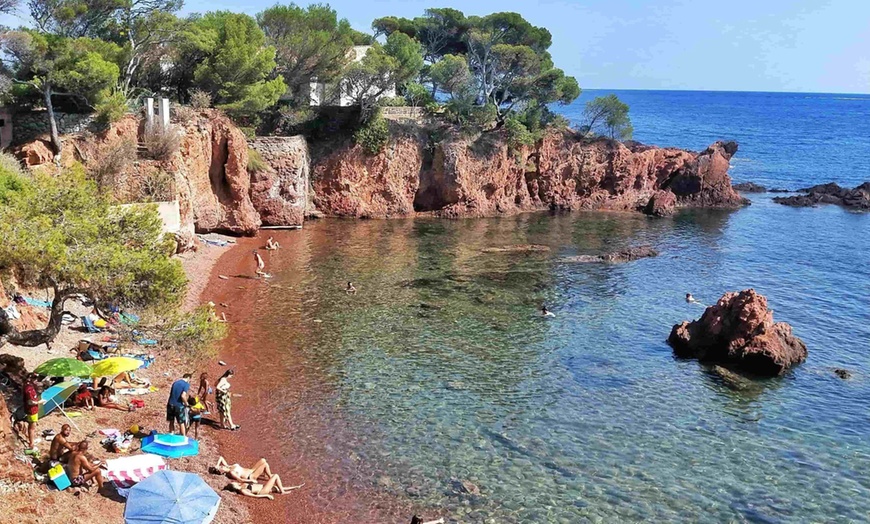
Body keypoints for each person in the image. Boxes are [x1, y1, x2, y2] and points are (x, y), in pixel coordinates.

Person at [224, 475, 303, 499]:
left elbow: (252, 481)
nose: (234, 482)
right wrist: (266, 495)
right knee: (275, 476)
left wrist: (250, 481)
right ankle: (283, 492)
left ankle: (295, 487)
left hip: (262, 487)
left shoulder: (242, 485)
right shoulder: (242, 490)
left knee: (277, 488)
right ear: (234, 487)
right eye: (234, 483)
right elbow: (255, 496)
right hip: (262, 490)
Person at [22, 373, 40, 451]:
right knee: (32, 427)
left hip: (32, 409)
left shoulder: (29, 386)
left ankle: (31, 441)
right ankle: (31, 443)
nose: (37, 380)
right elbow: (29, 402)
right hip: (32, 410)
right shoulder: (29, 389)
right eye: (35, 378)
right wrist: (39, 402)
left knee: (32, 425)